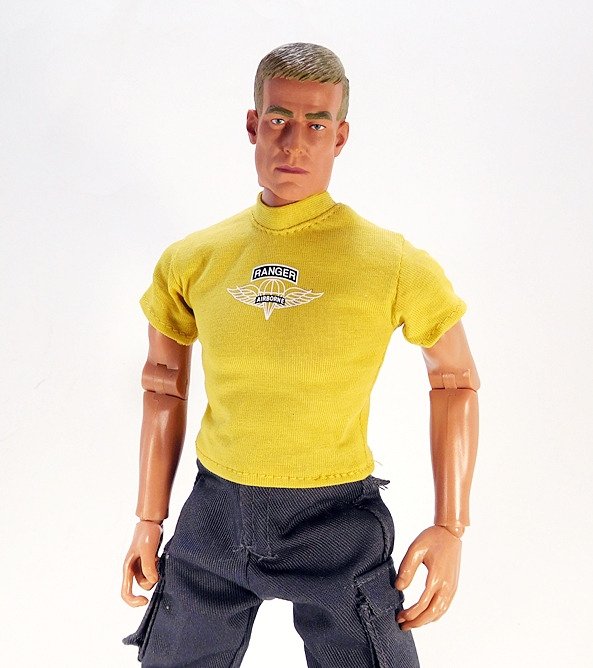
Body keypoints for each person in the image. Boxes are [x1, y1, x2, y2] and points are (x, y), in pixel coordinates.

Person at [121, 42, 479, 668]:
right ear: (253, 125)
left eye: (316, 125)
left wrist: (451, 526)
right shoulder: (194, 259)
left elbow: (455, 381)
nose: (295, 143)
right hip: (214, 516)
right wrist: (150, 518)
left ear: (340, 137)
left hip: (334, 520)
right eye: (279, 119)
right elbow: (163, 385)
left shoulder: (390, 263)